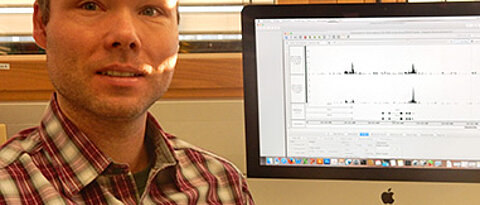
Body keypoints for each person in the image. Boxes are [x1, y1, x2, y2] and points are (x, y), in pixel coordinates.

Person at [0, 0, 254, 204]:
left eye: (150, 10)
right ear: (41, 24)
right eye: (91, 5)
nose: (126, 35)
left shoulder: (222, 186)